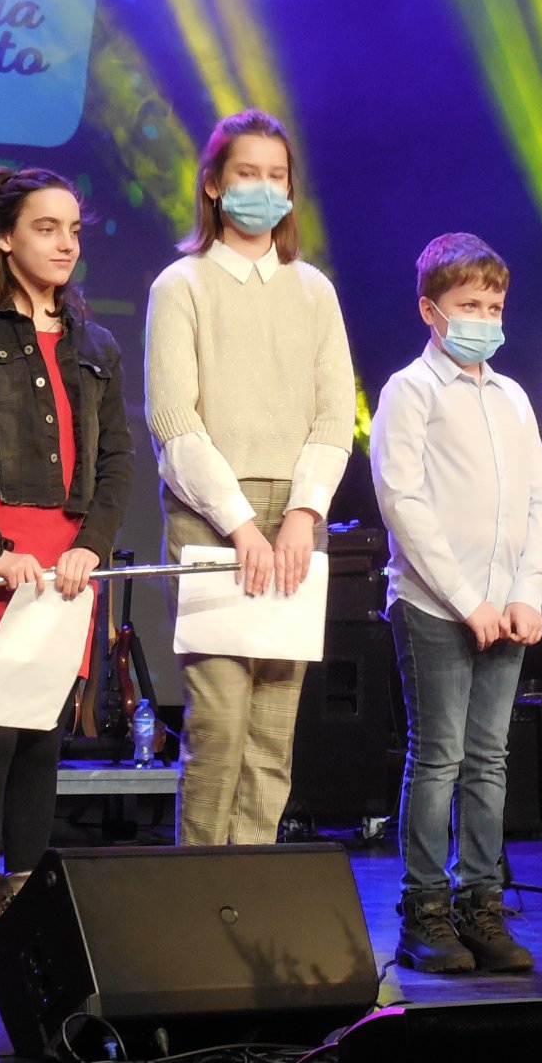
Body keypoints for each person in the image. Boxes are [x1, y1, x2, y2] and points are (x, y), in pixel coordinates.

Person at [0, 168, 132, 980]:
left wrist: (94, 545)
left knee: (44, 739)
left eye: (74, 229)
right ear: (6, 237)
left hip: (70, 560)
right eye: (47, 228)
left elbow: (116, 462)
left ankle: (21, 917)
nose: (65, 243)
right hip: (0, 553)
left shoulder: (98, 346)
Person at [143, 109, 356, 846]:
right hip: (210, 516)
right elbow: (175, 420)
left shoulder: (313, 290)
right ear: (214, 184)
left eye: (276, 176)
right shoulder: (182, 285)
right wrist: (239, 524)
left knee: (273, 726)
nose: (263, 189)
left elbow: (334, 416)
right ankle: (201, 885)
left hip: (295, 516)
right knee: (221, 718)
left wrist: (302, 515)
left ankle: (253, 877)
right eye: (247, 174)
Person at [371, 233, 542, 974]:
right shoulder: (409, 390)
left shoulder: (511, 397)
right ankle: (425, 910)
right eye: (469, 305)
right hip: (434, 605)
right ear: (431, 310)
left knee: (489, 759)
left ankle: (481, 902)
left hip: (506, 608)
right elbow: (404, 502)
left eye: (494, 306)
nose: (484, 317)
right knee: (440, 755)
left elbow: (541, 499)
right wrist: (466, 598)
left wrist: (527, 591)